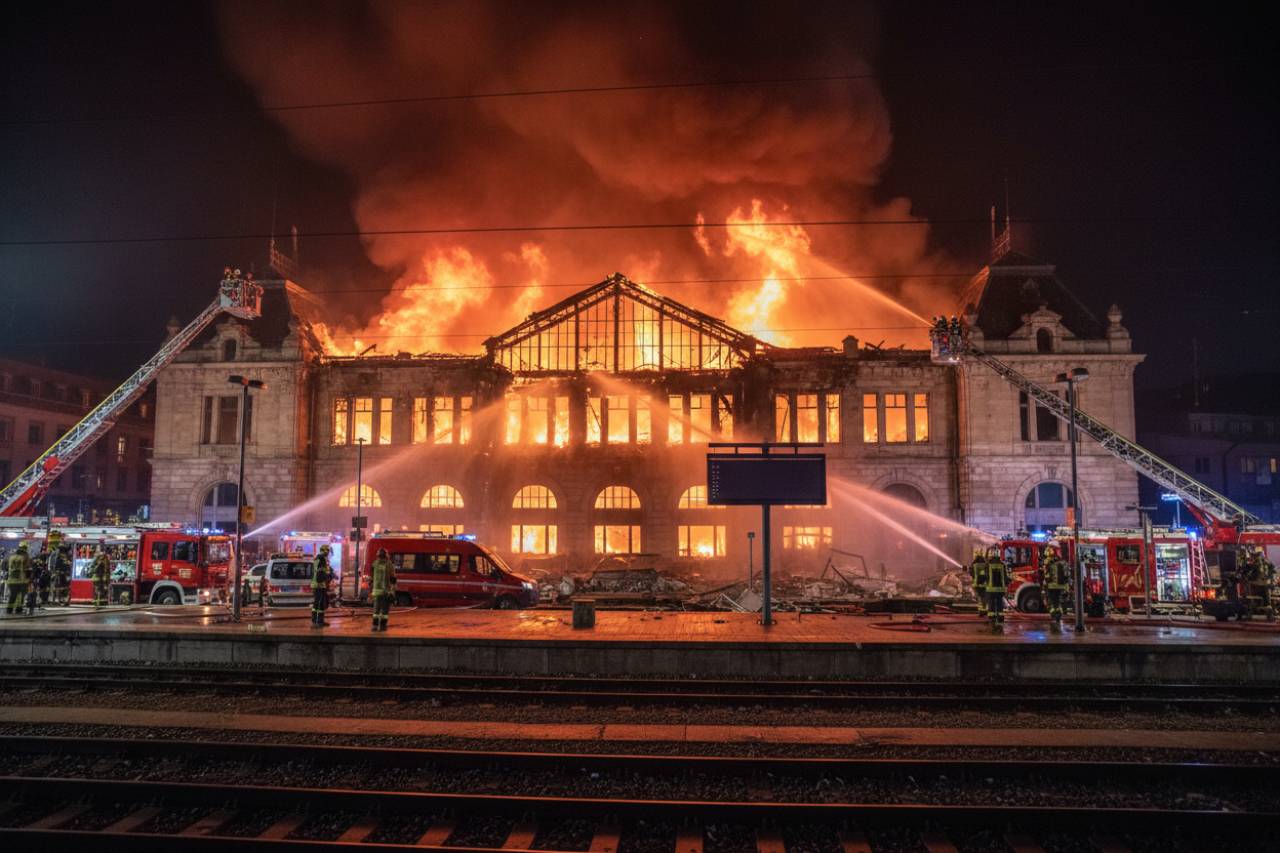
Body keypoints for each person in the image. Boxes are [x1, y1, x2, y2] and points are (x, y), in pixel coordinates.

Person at [1042, 544, 1070, 631]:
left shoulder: (1048, 561)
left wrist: (1045, 584)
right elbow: (1067, 574)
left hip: (1052, 586)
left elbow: (1046, 574)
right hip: (1061, 585)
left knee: (1053, 602)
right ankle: (1059, 616)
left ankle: (1054, 617)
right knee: (1058, 602)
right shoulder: (1062, 562)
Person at [370, 547, 397, 633]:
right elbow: (393, 578)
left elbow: (371, 578)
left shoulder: (375, 564)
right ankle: (382, 626)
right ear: (386, 555)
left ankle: (374, 626)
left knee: (376, 611)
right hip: (386, 591)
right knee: (384, 612)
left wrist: (371, 589)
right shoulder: (389, 564)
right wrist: (392, 591)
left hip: (376, 592)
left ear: (378, 555)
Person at [984, 548, 1009, 632]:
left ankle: (992, 618)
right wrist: (1005, 586)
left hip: (990, 589)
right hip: (1000, 589)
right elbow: (1005, 577)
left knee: (991, 604)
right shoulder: (1002, 564)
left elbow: (985, 576)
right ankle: (1000, 617)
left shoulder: (988, 564)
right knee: (999, 603)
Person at [311, 544, 333, 628]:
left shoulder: (317, 558)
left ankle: (318, 621)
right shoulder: (322, 559)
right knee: (319, 603)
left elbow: (320, 572)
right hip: (320, 584)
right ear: (325, 550)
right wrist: (329, 577)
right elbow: (321, 573)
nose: (328, 553)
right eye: (327, 551)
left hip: (317, 584)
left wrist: (330, 573)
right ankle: (318, 621)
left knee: (318, 603)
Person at [5, 544, 31, 616]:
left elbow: (6, 567)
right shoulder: (25, 556)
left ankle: (9, 610)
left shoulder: (11, 557)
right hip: (21, 579)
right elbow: (28, 568)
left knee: (12, 596)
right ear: (25, 549)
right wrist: (29, 578)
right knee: (20, 596)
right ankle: (18, 610)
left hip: (11, 579)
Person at [970, 550, 989, 618]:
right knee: (985, 598)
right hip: (985, 584)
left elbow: (971, 573)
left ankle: (981, 611)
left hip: (977, 584)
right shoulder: (986, 565)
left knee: (980, 598)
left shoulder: (974, 565)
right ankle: (985, 610)